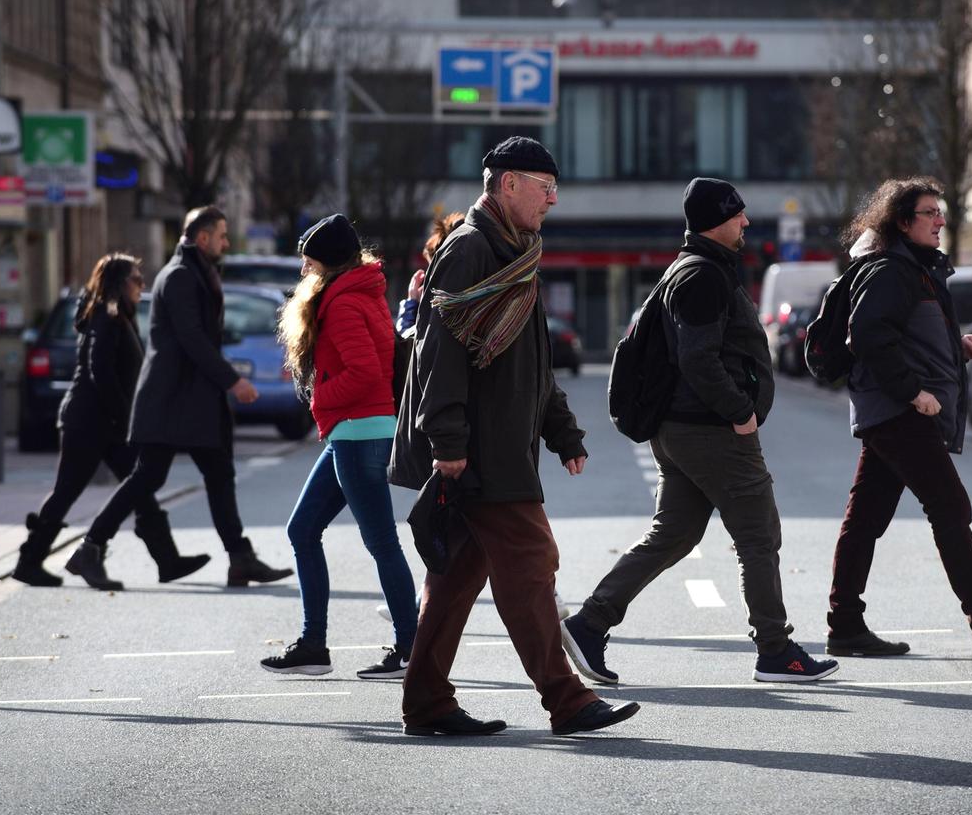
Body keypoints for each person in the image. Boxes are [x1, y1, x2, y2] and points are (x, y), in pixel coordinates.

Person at [390, 136, 638, 737]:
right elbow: (438, 355)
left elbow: (530, 361)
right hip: (479, 450)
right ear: (507, 184)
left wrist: (563, 432)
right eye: (544, 187)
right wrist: (447, 442)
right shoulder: (471, 250)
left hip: (498, 445)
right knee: (530, 565)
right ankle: (568, 701)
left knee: (454, 582)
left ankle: (426, 702)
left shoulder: (516, 249)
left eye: (555, 189)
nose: (552, 200)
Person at [560, 178, 836, 685]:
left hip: (683, 427)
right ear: (716, 219)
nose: (746, 223)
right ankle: (776, 650)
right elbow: (698, 358)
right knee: (759, 533)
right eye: (738, 215)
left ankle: (589, 622)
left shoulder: (692, 270)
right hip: (710, 429)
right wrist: (739, 412)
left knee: (675, 534)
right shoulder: (702, 276)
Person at [823, 177, 972, 656]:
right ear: (903, 221)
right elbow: (868, 336)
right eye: (929, 213)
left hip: (889, 411)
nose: (940, 221)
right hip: (897, 411)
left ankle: (844, 626)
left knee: (864, 519)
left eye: (939, 213)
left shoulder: (917, 269)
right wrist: (913, 393)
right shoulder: (892, 270)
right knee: (950, 508)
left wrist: (956, 347)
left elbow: (904, 335)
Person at [65, 206, 293, 590]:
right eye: (221, 235)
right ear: (202, 238)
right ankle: (89, 548)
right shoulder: (180, 277)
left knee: (218, 474)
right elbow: (191, 339)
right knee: (148, 477)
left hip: (191, 400)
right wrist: (232, 381)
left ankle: (240, 559)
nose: (226, 242)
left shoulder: (197, 273)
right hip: (170, 398)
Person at [258, 215, 419, 679]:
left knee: (382, 543)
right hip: (355, 432)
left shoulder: (344, 303)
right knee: (302, 531)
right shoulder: (358, 292)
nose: (304, 273)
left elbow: (367, 372)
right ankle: (313, 646)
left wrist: (320, 399)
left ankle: (409, 648)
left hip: (358, 432)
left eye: (309, 264)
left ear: (327, 265)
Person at [14, 253, 209, 588]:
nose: (142, 285)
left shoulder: (116, 314)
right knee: (67, 492)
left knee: (141, 487)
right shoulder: (106, 315)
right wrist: (124, 416)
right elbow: (99, 370)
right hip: (89, 422)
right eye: (136, 279)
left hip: (106, 422)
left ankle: (167, 560)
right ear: (119, 282)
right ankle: (30, 561)